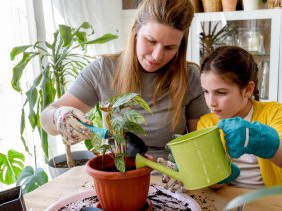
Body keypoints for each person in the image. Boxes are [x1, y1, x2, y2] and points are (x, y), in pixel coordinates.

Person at [40, 0, 209, 158]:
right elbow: (47, 120)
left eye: (170, 47)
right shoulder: (103, 70)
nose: (157, 56)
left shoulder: (190, 76)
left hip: (172, 178)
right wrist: (57, 115)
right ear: (135, 32)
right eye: (150, 41)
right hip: (119, 176)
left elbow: (200, 145)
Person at [197, 46, 282, 188]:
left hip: (273, 201)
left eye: (221, 92)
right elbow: (214, 185)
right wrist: (213, 175)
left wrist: (259, 140)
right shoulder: (206, 123)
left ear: (247, 89)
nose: (211, 102)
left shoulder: (272, 111)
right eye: (206, 91)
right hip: (229, 200)